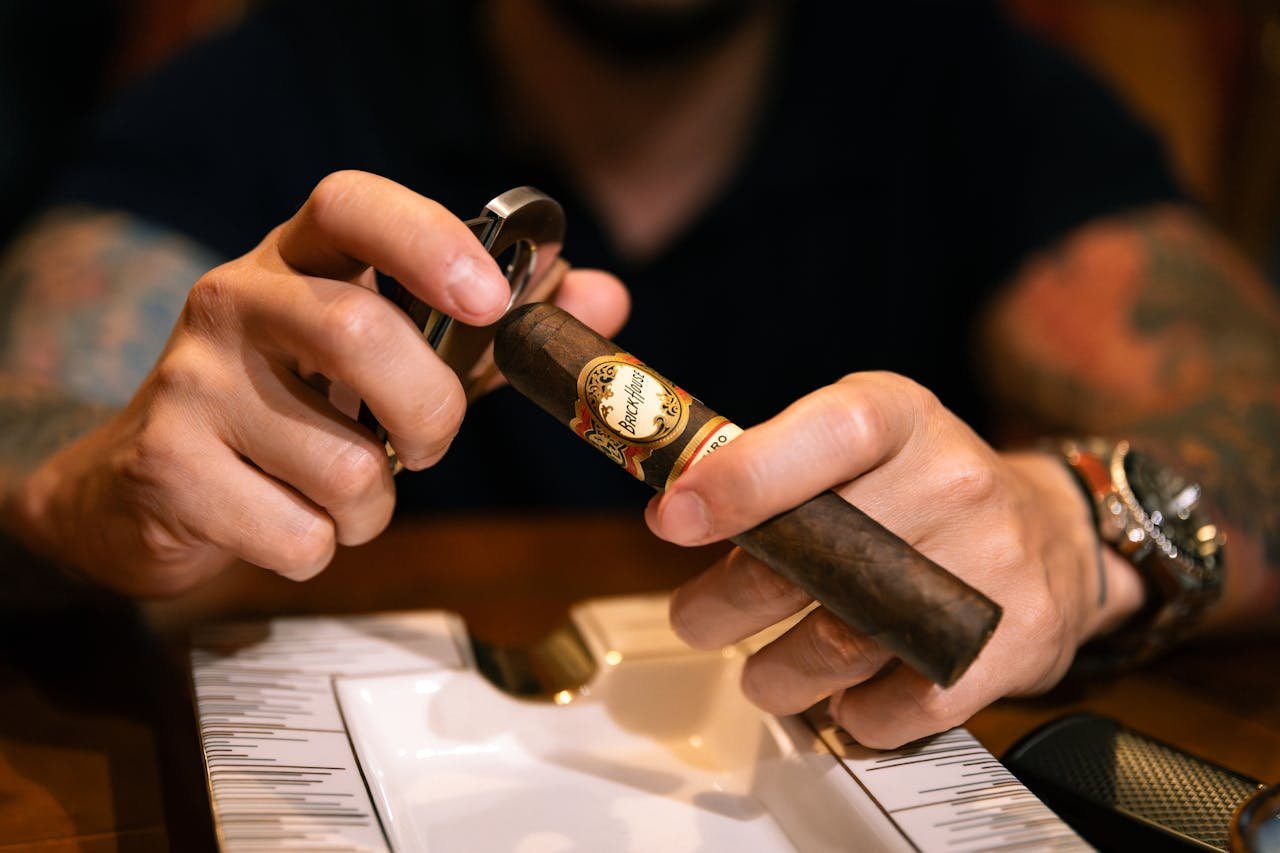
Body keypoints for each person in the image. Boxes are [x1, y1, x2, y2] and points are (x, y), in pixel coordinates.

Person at [0, 0, 1276, 749]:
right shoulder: (271, 81)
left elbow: (1250, 403)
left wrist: (1081, 525)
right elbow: (32, 403)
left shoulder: (969, 84)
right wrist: (78, 487)